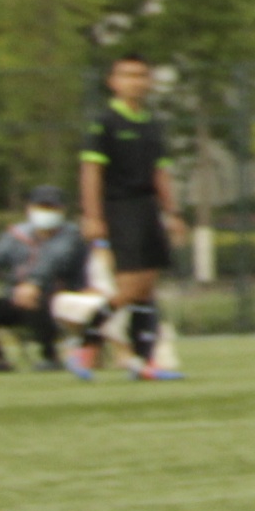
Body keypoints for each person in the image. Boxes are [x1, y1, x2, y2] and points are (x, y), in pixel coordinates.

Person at [81, 51, 185, 379]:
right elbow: (91, 171)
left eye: (141, 75)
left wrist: (173, 213)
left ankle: (144, 361)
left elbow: (161, 173)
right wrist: (93, 216)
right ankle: (85, 343)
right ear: (113, 82)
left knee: (147, 288)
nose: (135, 82)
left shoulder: (152, 124)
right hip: (120, 208)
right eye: (127, 75)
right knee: (128, 288)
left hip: (147, 209)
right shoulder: (105, 122)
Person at [0, 188, 87, 372]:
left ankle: (49, 356)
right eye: (41, 206)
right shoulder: (16, 235)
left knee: (35, 297)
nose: (46, 211)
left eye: (51, 207)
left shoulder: (72, 236)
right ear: (29, 208)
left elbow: (54, 259)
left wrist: (34, 283)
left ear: (62, 210)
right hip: (17, 299)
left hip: (58, 301)